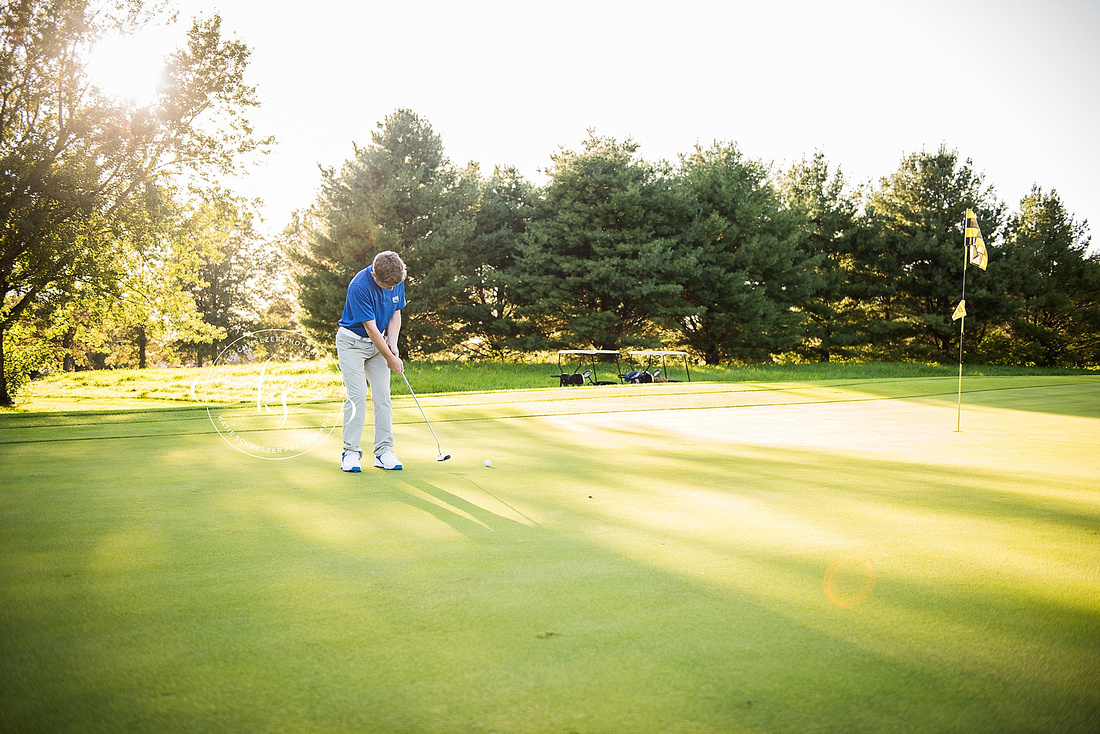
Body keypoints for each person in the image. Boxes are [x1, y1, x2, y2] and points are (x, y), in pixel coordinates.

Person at [335, 251, 407, 472]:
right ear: (374, 275)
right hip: (352, 344)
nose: (392, 289)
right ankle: (351, 453)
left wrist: (393, 343)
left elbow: (396, 312)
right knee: (357, 396)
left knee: (383, 396)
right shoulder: (359, 286)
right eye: (387, 286)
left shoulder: (396, 277)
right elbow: (371, 328)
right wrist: (390, 358)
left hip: (380, 344)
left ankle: (384, 451)